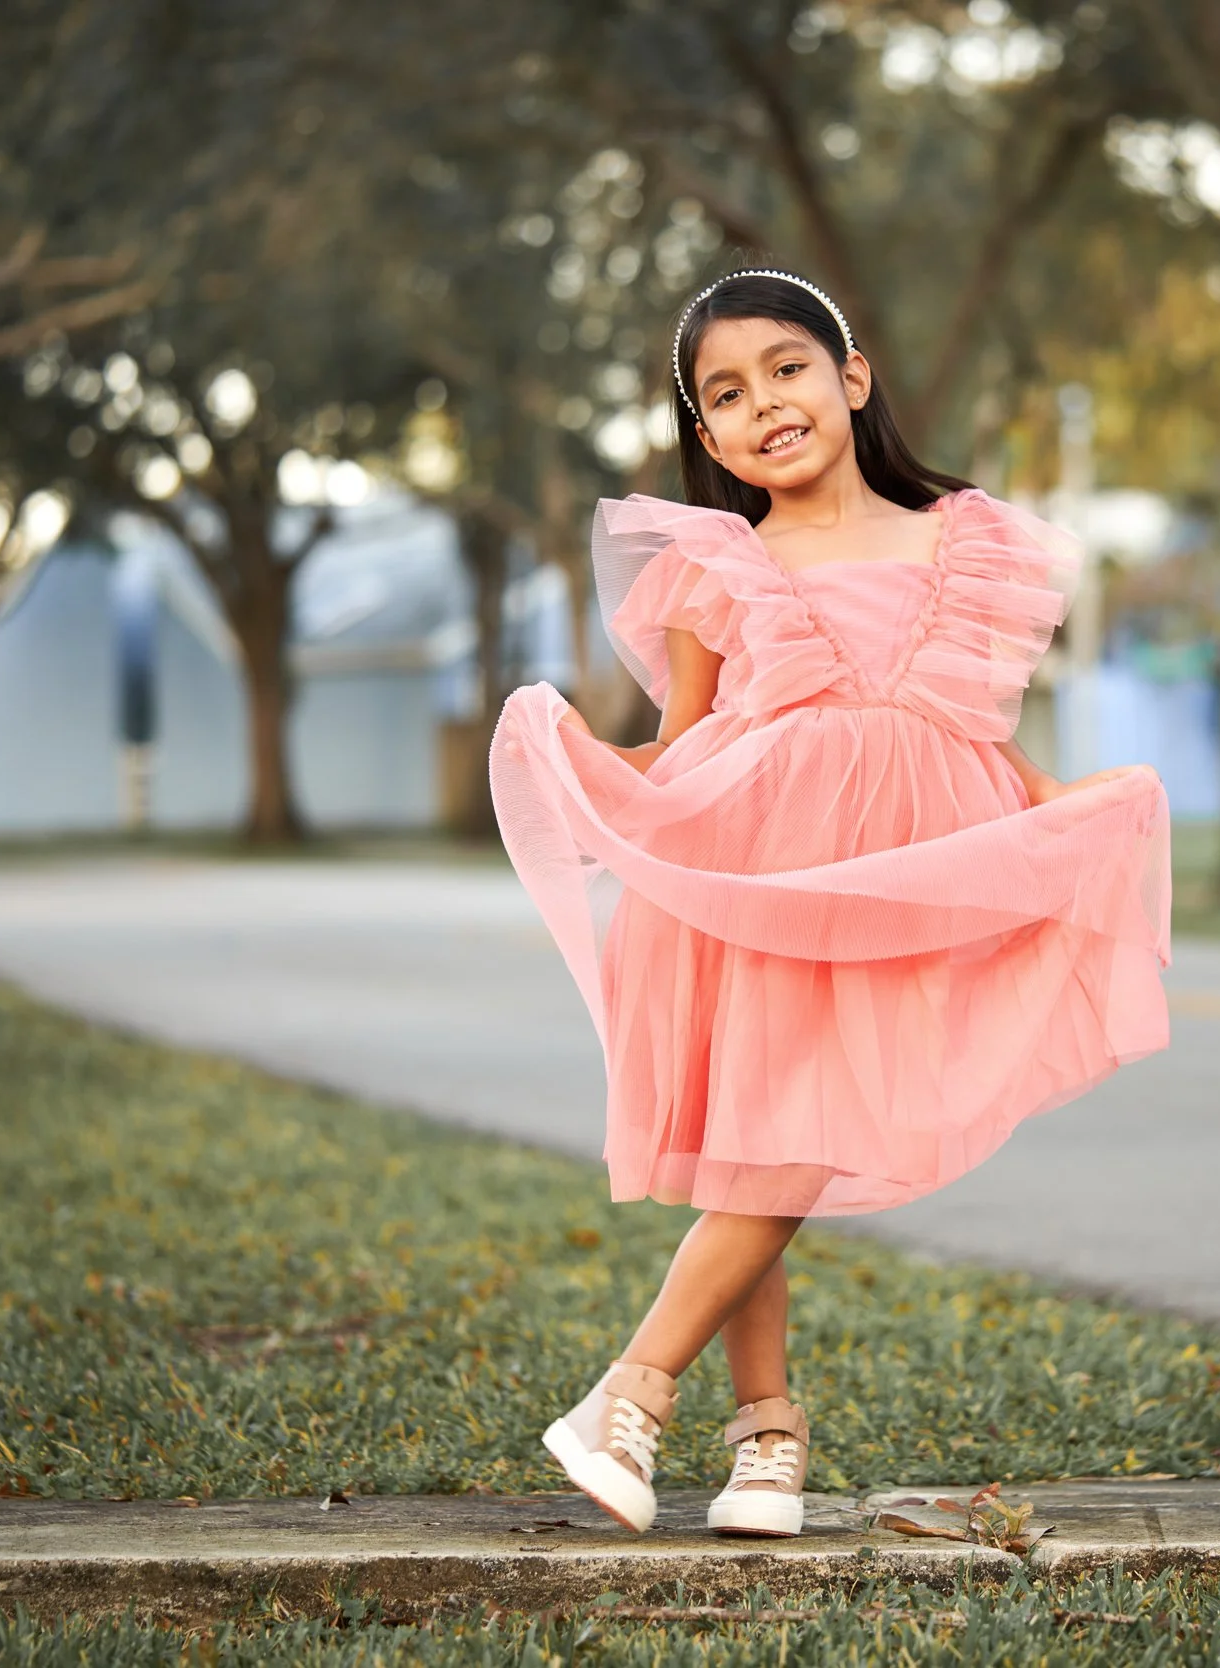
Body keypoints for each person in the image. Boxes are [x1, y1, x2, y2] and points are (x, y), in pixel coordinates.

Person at [486, 269, 1171, 1539]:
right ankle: (702, 1423)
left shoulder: (969, 546)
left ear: (851, 379)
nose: (764, 405)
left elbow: (970, 728)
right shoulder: (718, 566)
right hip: (750, 874)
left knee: (783, 1139)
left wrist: (1066, 815)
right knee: (768, 1137)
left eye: (787, 369)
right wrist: (579, 765)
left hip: (899, 884)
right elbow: (679, 742)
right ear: (707, 438)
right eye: (725, 396)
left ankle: (700, 1419)